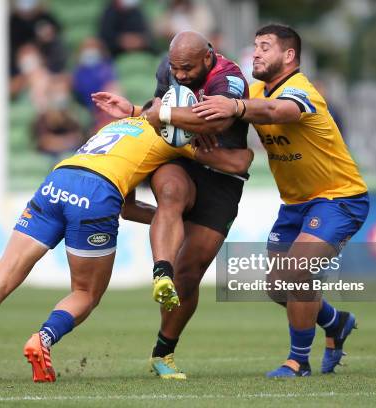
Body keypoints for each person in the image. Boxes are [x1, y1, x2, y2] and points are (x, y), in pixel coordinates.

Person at [0, 99, 253, 383]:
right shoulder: (171, 136)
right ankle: (43, 338)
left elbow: (129, 208)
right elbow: (240, 162)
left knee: (2, 277)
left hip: (58, 179)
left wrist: (169, 222)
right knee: (86, 293)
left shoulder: (115, 128)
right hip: (96, 192)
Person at [192, 24, 369, 377]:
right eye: (254, 46)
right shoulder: (256, 89)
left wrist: (236, 106)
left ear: (288, 56)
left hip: (338, 198)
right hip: (295, 204)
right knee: (277, 287)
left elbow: (277, 113)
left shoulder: (302, 90)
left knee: (295, 273)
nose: (255, 52)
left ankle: (298, 361)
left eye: (265, 47)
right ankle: (335, 323)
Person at [92, 30, 249, 379]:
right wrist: (144, 112)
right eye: (175, 68)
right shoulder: (169, 69)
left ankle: (163, 352)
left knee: (190, 274)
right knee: (172, 196)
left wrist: (162, 115)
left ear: (208, 58)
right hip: (179, 158)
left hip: (223, 174)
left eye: (187, 69)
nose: (179, 75)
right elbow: (156, 109)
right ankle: (161, 271)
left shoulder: (229, 78)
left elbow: (218, 120)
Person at [72, 37, 121, 131]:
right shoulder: (77, 71)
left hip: (103, 105)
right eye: (87, 48)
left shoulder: (107, 68)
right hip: (84, 105)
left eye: (93, 47)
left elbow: (112, 86)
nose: (90, 51)